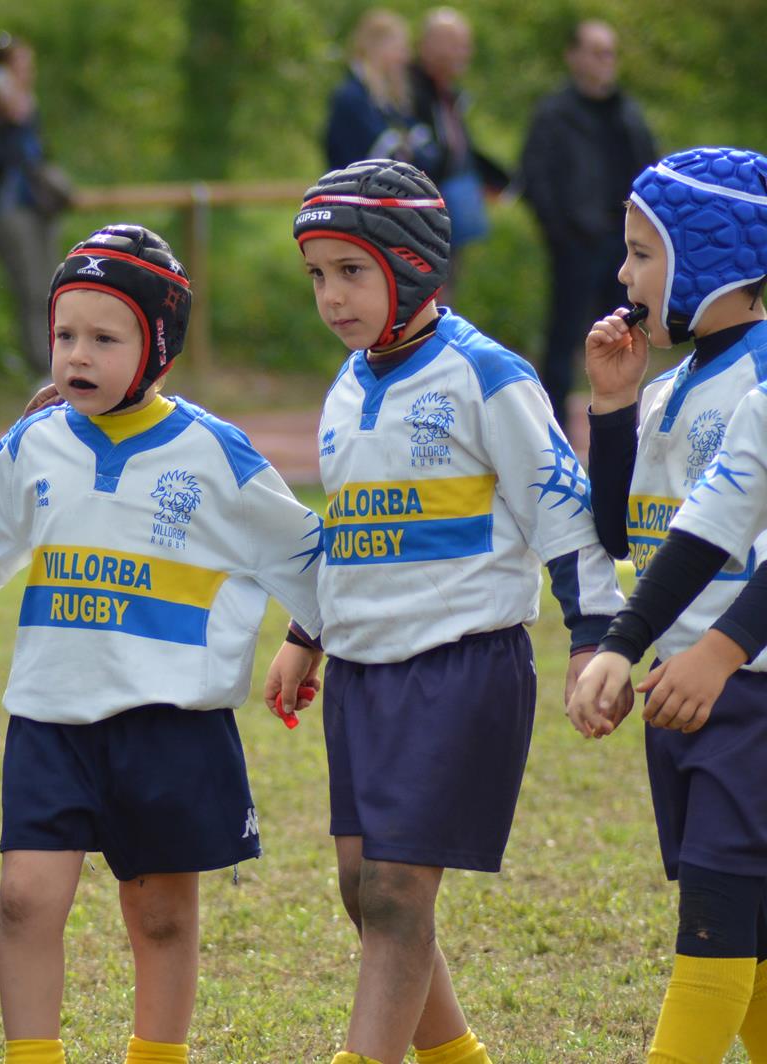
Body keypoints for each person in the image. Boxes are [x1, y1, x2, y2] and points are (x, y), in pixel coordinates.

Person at [0, 224, 326, 1064]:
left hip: (170, 725)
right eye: (64, 334)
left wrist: (306, 637)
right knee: (23, 899)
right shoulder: (36, 441)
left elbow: (311, 559)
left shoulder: (215, 452)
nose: (77, 354)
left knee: (159, 917)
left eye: (105, 339)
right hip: (49, 720)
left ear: (159, 348)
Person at [292, 158, 624, 1064]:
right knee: (362, 891)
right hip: (361, 670)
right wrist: (305, 634)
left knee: (398, 892)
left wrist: (593, 639)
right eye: (317, 274)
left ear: (413, 267)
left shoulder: (486, 375)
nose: (331, 296)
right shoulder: (347, 384)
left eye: (351, 271)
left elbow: (563, 510)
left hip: (458, 664)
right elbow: (350, 529)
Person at [565, 147, 767, 1063]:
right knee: (746, 928)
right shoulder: (670, 388)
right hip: (682, 692)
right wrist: (612, 409)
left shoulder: (758, 381)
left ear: (711, 260)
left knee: (716, 922)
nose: (623, 274)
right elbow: (627, 533)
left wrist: (722, 650)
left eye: (643, 254)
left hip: (748, 691)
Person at [520, 20, 658, 418]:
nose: (605, 62)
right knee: (563, 337)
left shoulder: (627, 113)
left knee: (626, 333)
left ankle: (622, 420)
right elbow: (534, 176)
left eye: (610, 53)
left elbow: (650, 172)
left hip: (625, 245)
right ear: (574, 57)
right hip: (575, 244)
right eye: (597, 53)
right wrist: (560, 231)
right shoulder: (554, 114)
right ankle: (553, 428)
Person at [0, 31, 65, 378]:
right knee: (31, 289)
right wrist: (10, 118)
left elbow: (39, 155)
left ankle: (62, 361)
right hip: (8, 210)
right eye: (19, 66)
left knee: (53, 287)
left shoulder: (28, 107)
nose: (26, 73)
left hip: (39, 207)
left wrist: (24, 116)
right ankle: (43, 368)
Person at [407, 9, 508, 279]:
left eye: (467, 45)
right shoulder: (408, 93)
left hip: (447, 219)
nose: (465, 53)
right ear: (427, 45)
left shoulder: (448, 95)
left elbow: (459, 149)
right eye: (456, 45)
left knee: (446, 284)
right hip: (418, 219)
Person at [323, 10, 432, 172]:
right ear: (378, 48)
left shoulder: (387, 100)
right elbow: (384, 157)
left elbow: (429, 154)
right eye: (399, 49)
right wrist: (406, 146)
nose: (406, 58)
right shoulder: (352, 97)